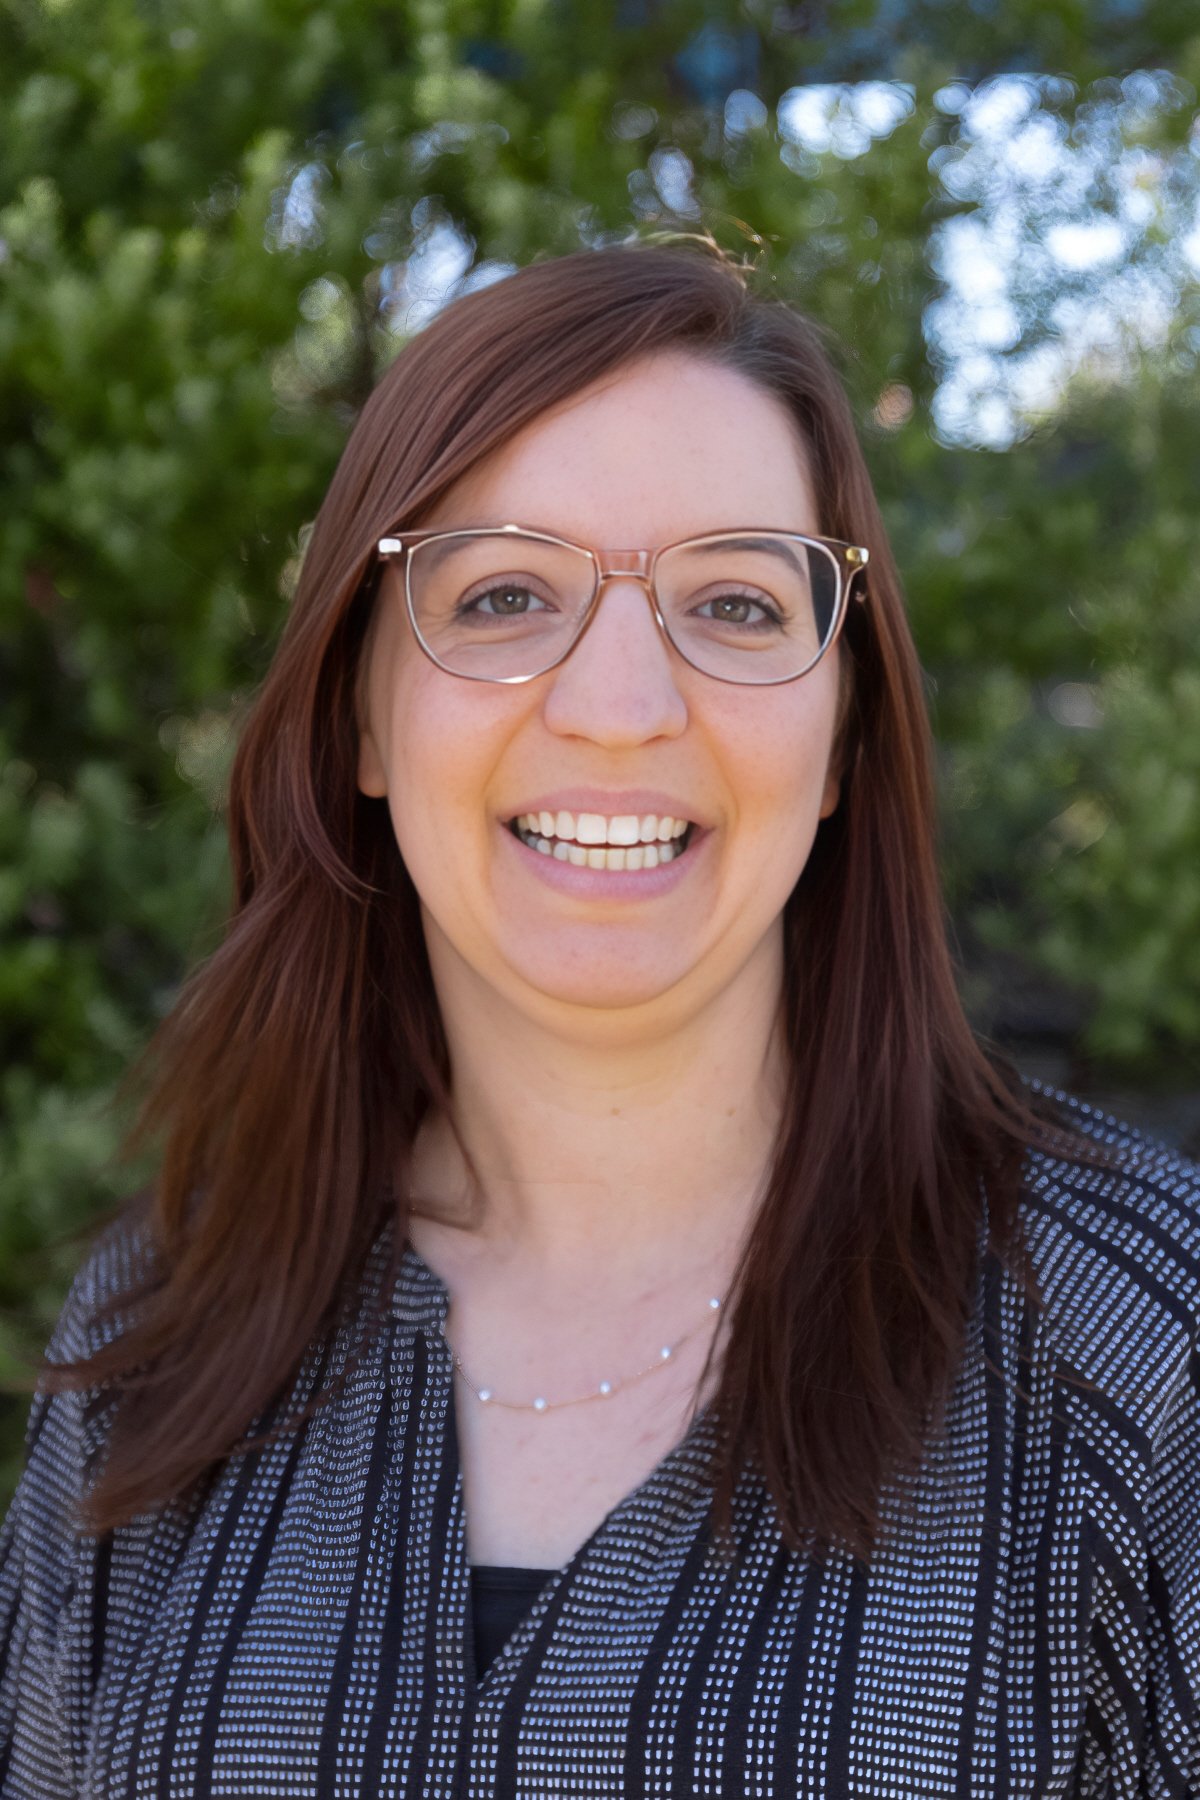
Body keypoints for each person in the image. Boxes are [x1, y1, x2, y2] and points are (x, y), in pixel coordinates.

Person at [1, 239, 1197, 1800]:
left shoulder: (1138, 1358)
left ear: (845, 735)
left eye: (736, 602)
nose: (620, 706)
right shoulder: (166, 1337)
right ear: (362, 713)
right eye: (504, 594)